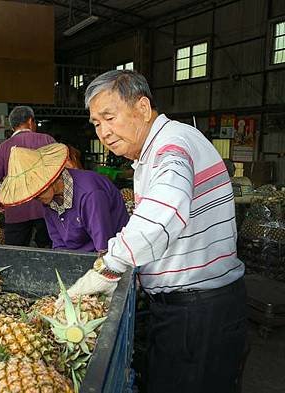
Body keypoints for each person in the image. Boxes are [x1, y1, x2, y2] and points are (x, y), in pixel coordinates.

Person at [62, 70, 246, 393]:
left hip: (198, 312)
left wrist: (110, 265)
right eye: (96, 124)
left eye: (109, 117)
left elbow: (165, 212)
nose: (103, 132)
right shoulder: (153, 153)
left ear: (143, 109)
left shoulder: (171, 146)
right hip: (189, 308)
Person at [0, 143, 128, 253]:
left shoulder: (90, 194)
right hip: (77, 259)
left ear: (52, 178)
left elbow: (104, 248)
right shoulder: (49, 200)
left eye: (37, 191)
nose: (34, 198)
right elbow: (58, 243)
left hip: (110, 257)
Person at [0, 106, 55, 247]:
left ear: (12, 126)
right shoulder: (47, 140)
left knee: (15, 254)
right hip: (46, 210)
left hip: (15, 211)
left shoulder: (4, 147)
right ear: (30, 121)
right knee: (49, 253)